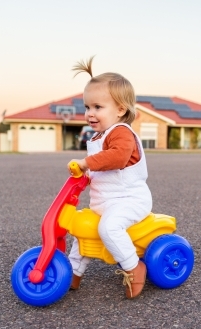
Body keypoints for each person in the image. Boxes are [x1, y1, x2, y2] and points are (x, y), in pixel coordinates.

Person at [67, 56, 152, 299]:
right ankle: (72, 272)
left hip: (129, 200)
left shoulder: (121, 133)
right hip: (105, 202)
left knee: (109, 227)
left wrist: (85, 163)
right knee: (82, 229)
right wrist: (84, 176)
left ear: (120, 110)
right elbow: (99, 170)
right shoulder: (97, 137)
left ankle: (134, 267)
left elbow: (116, 158)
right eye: (87, 107)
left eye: (97, 107)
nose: (90, 114)